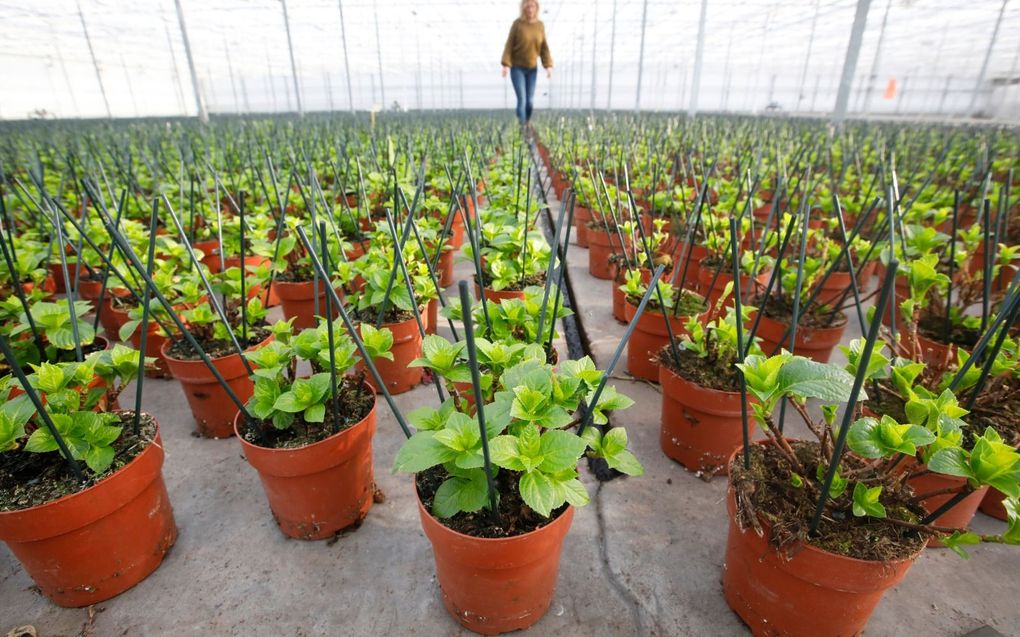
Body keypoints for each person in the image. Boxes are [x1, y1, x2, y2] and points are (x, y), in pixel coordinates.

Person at [501, 0, 553, 129]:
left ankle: (527, 122)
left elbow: (544, 47)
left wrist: (548, 65)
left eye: (533, 6)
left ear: (537, 8)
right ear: (523, 8)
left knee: (530, 102)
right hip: (517, 68)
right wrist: (506, 64)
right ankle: (523, 127)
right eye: (528, 6)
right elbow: (509, 44)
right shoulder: (517, 24)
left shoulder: (540, 25)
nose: (530, 9)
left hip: (532, 69)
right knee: (522, 100)